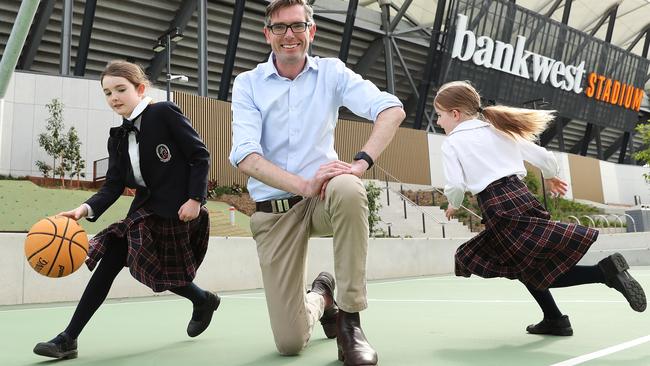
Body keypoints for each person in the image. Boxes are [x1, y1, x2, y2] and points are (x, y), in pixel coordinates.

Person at [229, 0, 405, 364]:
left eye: (297, 25)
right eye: (280, 27)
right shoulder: (248, 84)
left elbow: (391, 108)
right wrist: (303, 184)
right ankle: (321, 297)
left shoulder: (332, 72)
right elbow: (245, 156)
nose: (289, 35)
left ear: (312, 30)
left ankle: (350, 323)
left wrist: (360, 162)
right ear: (267, 34)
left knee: (349, 187)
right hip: (274, 212)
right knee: (289, 343)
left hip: (325, 199)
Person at [33, 60, 218, 359]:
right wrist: (83, 209)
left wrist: (195, 199)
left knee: (150, 269)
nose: (114, 97)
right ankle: (68, 339)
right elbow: (113, 186)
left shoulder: (163, 113)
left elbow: (200, 155)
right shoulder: (117, 137)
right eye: (107, 93)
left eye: (121, 89)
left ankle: (202, 299)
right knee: (116, 261)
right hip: (145, 210)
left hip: (178, 210)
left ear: (140, 88)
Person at [435, 80, 646, 336]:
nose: (438, 122)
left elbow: (456, 185)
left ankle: (605, 272)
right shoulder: (499, 129)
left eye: (440, 115)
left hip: (497, 207)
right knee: (525, 267)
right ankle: (555, 319)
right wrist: (550, 175)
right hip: (521, 196)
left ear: (455, 114)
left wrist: (453, 205)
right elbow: (545, 157)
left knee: (522, 268)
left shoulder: (453, 143)